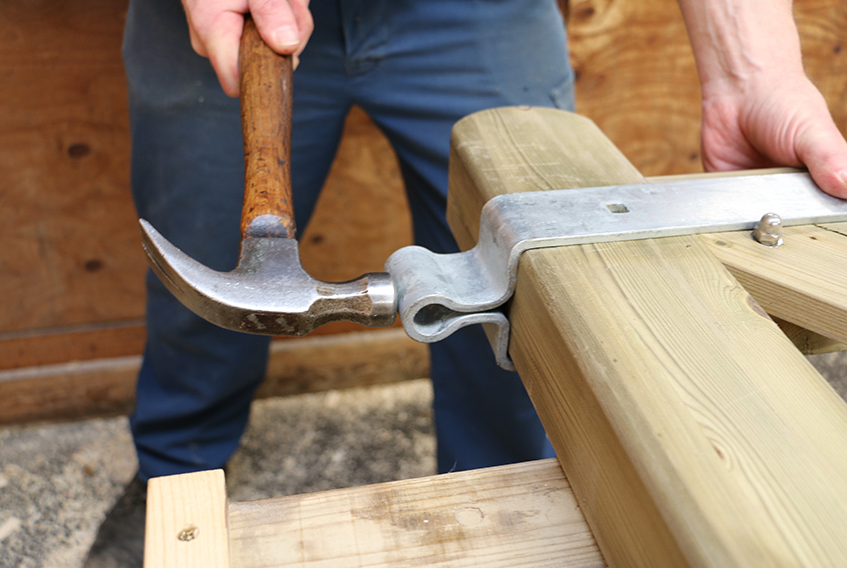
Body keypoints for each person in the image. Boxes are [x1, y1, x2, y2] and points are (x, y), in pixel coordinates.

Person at [84, 0, 847, 565]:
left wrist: (755, 71)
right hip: (237, 15)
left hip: (474, 12)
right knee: (200, 311)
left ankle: (508, 507)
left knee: (533, 304)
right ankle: (172, 481)